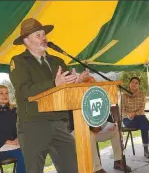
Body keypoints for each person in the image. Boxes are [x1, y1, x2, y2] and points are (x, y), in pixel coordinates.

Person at [9, 18, 89, 173]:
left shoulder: (57, 61)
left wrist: (75, 82)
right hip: (33, 124)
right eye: (38, 35)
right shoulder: (18, 62)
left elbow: (64, 87)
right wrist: (55, 83)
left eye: (43, 34)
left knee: (72, 168)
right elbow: (24, 90)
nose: (44, 38)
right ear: (26, 40)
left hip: (59, 123)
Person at [67, 111, 132, 173]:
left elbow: (105, 112)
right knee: (90, 135)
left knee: (116, 130)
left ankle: (118, 161)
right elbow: (75, 122)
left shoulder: (96, 99)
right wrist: (92, 128)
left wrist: (111, 124)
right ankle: (97, 169)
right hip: (77, 130)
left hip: (96, 129)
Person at [0, 85, 26, 173]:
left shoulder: (14, 110)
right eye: (1, 93)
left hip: (16, 145)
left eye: (7, 93)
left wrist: (19, 138)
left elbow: (21, 127)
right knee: (23, 154)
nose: (5, 95)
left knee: (33, 150)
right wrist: (9, 142)